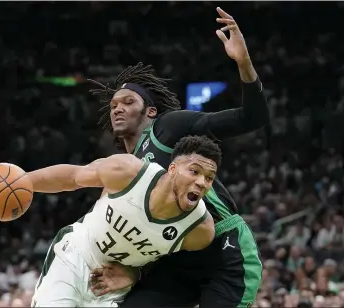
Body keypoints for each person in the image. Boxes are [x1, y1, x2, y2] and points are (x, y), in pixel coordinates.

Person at [87, 7, 267, 308]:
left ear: (151, 111)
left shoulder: (168, 127)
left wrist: (244, 63)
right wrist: (131, 272)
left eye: (128, 101)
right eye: (114, 104)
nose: (117, 108)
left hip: (224, 252)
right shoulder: (123, 169)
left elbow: (253, 116)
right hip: (174, 260)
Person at [0, 135, 220, 307]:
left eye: (209, 178)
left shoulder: (199, 231)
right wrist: (12, 183)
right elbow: (72, 177)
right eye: (195, 171)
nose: (201, 182)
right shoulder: (129, 172)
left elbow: (171, 270)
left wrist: (136, 273)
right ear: (173, 169)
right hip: (75, 256)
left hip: (112, 287)